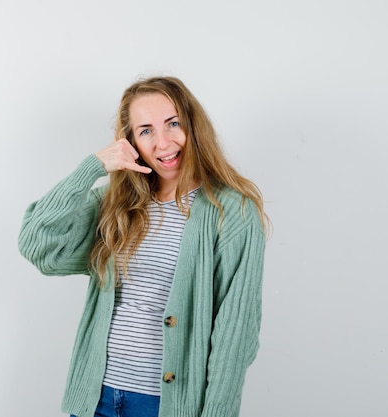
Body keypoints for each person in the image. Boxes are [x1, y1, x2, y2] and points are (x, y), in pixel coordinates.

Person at [18, 76, 268, 417]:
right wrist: (91, 168)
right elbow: (38, 245)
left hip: (163, 406)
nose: (163, 143)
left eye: (173, 124)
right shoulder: (115, 204)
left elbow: (235, 335)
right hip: (97, 399)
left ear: (193, 126)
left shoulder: (231, 212)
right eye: (146, 130)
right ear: (130, 140)